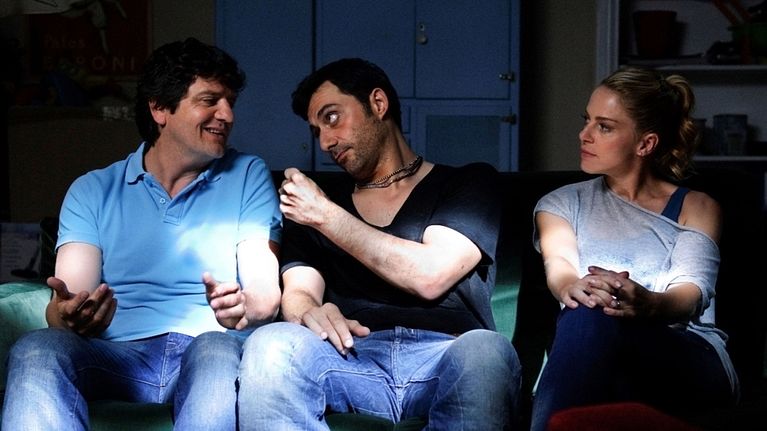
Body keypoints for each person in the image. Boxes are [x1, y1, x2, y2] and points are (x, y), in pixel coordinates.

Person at [1, 37, 282, 430]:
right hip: (116, 355)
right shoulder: (92, 190)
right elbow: (68, 301)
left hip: (206, 348)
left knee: (217, 350)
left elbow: (264, 292)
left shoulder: (248, 174)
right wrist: (67, 315)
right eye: (210, 100)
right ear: (159, 108)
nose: (227, 115)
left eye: (230, 102)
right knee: (38, 348)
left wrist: (246, 306)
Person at [237, 57, 521, 430]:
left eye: (332, 117)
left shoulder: (467, 183)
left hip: (447, 354)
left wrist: (326, 216)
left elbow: (430, 275)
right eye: (316, 130)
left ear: (378, 103)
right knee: (271, 344)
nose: (325, 142)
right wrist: (306, 311)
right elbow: (299, 291)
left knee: (487, 350)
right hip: (350, 356)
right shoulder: (316, 204)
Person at [529, 66, 739, 430]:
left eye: (604, 127)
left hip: (686, 352)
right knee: (589, 310)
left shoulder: (697, 207)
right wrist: (571, 286)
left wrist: (648, 303)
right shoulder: (560, 204)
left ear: (645, 144)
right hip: (598, 348)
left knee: (594, 318)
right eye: (587, 120)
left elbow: (691, 293)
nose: (584, 135)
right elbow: (559, 262)